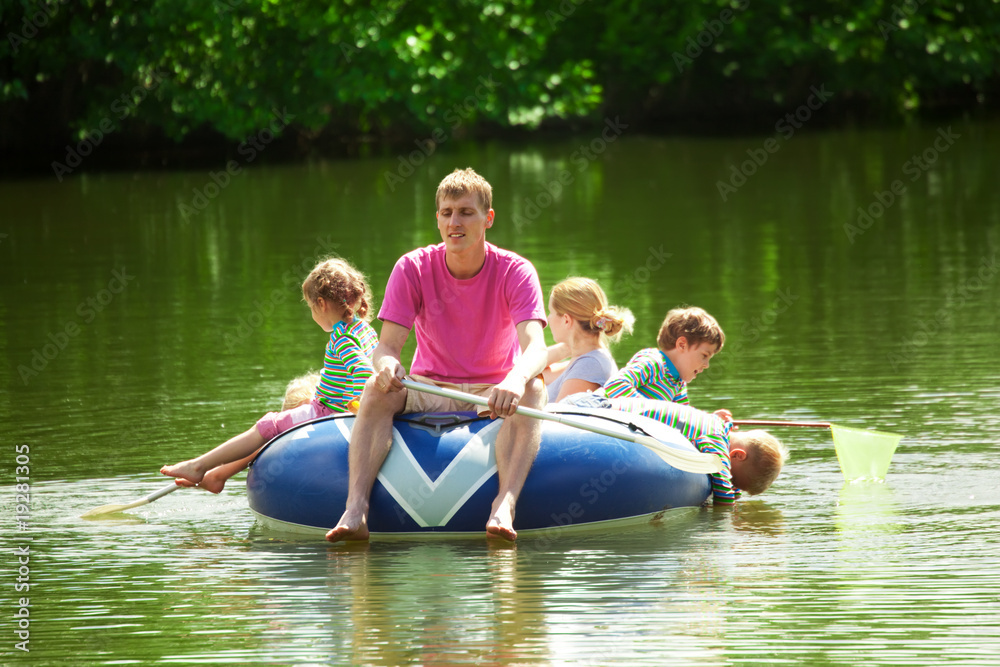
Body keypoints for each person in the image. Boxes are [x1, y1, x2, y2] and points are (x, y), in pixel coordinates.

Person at [325, 168, 548, 544]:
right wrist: (386, 367)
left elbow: (535, 347)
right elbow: (387, 348)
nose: (454, 222)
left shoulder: (516, 270)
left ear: (487, 218)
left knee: (534, 388)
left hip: (491, 391)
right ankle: (356, 509)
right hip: (428, 386)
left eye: (465, 212)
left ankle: (504, 505)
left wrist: (515, 378)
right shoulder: (411, 267)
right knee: (375, 387)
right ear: (437, 219)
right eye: (446, 213)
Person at [160, 258, 379, 493]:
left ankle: (198, 465)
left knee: (266, 426)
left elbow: (364, 371)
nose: (311, 313)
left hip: (326, 412)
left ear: (322, 304)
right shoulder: (364, 329)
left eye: (310, 307)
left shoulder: (341, 338)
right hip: (331, 406)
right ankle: (216, 474)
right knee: (276, 428)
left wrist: (357, 410)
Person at [563, 392, 787, 504]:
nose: (731, 482)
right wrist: (731, 507)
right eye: (735, 479)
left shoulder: (717, 425)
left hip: (594, 401)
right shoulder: (716, 442)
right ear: (736, 455)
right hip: (593, 410)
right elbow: (723, 492)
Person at [602, 305, 724, 408]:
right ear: (682, 345)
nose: (707, 365)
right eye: (704, 355)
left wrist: (710, 420)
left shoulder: (678, 382)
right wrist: (651, 412)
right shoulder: (653, 362)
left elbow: (683, 420)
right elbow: (615, 385)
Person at [543, 277, 634, 402]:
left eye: (551, 312)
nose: (548, 318)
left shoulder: (590, 365)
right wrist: (569, 346)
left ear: (566, 320)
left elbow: (556, 418)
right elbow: (533, 371)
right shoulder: (584, 359)